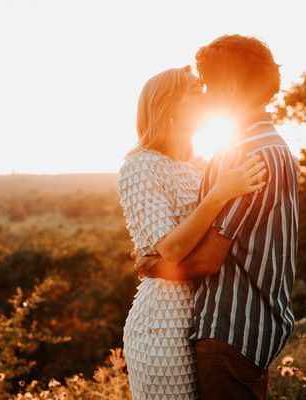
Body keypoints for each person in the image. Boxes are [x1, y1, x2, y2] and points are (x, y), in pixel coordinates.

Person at [135, 35, 300, 400]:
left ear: (228, 86)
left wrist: (151, 266)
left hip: (228, 330)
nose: (205, 94)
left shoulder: (242, 156)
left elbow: (209, 259)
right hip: (258, 327)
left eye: (207, 84)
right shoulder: (278, 149)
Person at [118, 64, 267, 399]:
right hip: (163, 325)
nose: (203, 92)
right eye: (192, 88)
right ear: (167, 106)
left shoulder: (202, 166)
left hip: (207, 320)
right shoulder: (140, 166)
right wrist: (220, 193)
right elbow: (170, 249)